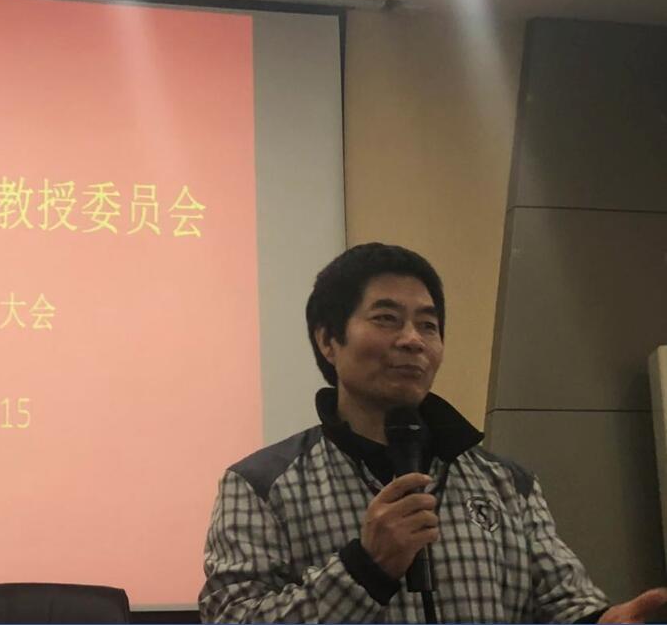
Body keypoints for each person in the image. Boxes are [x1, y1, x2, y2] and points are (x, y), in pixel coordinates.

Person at [199, 242, 667, 623]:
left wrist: (602, 621)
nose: (413, 340)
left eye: (428, 325)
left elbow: (563, 603)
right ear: (328, 340)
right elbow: (233, 618)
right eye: (386, 318)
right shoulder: (261, 485)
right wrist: (365, 569)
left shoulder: (507, 483)